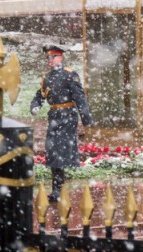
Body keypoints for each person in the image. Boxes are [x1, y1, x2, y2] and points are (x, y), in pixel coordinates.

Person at [30, 45, 93, 202]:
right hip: (54, 117)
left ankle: (58, 189)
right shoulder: (47, 77)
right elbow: (40, 94)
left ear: (61, 57)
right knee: (52, 150)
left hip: (68, 117)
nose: (50, 60)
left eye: (53, 57)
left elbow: (80, 98)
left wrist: (86, 119)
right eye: (48, 58)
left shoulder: (70, 75)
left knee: (59, 151)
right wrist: (35, 105)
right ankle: (58, 187)